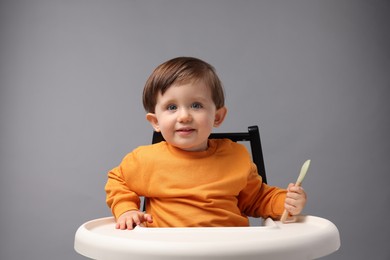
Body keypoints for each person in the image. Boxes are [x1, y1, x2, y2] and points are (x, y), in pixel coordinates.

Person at [105, 57, 307, 230]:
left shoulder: (236, 156)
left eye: (196, 105)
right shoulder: (145, 159)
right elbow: (118, 181)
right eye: (171, 107)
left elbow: (257, 199)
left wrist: (285, 202)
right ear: (155, 121)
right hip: (169, 252)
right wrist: (127, 209)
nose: (184, 116)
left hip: (229, 251)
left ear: (217, 116)